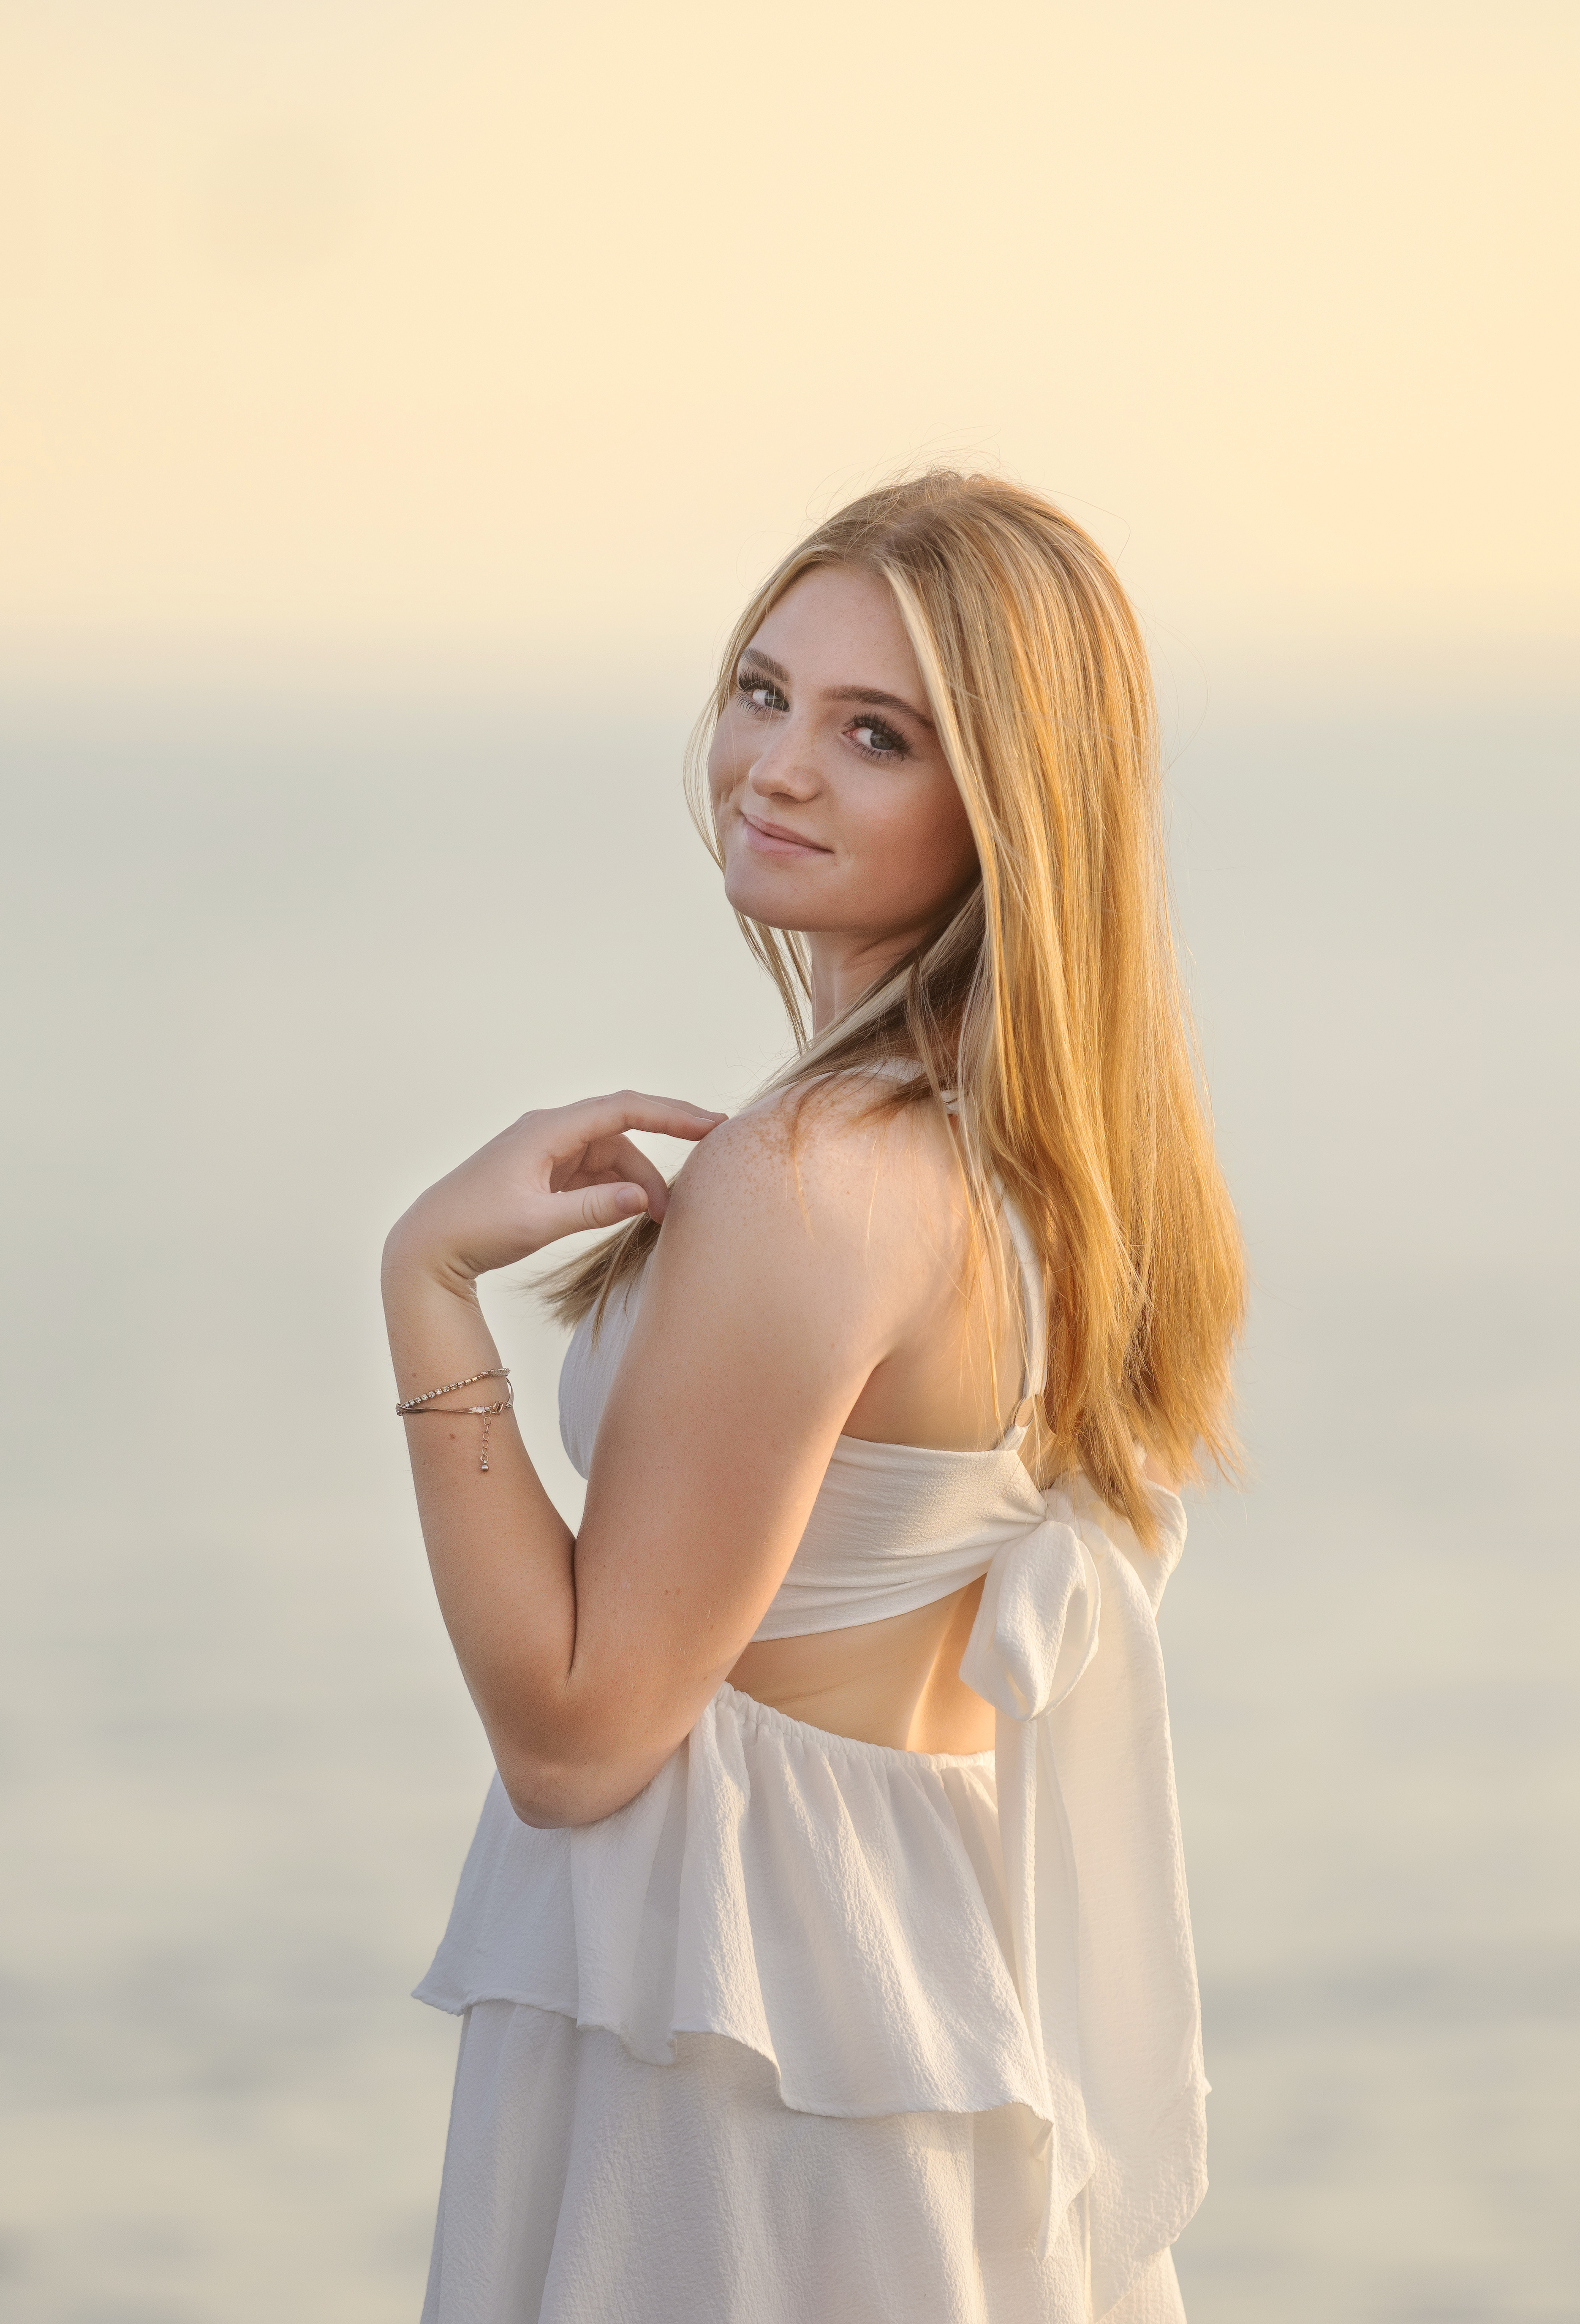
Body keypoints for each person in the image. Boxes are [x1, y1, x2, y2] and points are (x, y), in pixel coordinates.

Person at [380, 471, 1245, 2323]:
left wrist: (426, 1287)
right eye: (763, 690)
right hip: (914, 1986)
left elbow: (581, 1736)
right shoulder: (1046, 1164)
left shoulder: (818, 1175)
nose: (777, 765)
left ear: (1004, 804)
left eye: (877, 733)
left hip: (735, 2030)